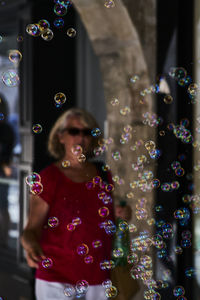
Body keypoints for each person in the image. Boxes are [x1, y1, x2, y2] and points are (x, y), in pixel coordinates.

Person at [21, 108, 132, 300]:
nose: (80, 138)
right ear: (60, 137)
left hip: (98, 277)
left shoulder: (104, 174)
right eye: (74, 131)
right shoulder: (49, 178)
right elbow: (31, 230)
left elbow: (110, 220)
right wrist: (30, 247)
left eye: (86, 132)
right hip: (56, 279)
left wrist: (124, 214)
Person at [0, 94, 15, 247]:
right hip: (3, 171)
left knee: (3, 206)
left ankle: (3, 241)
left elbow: (6, 152)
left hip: (2, 173)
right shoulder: (7, 128)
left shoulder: (6, 129)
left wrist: (5, 164)